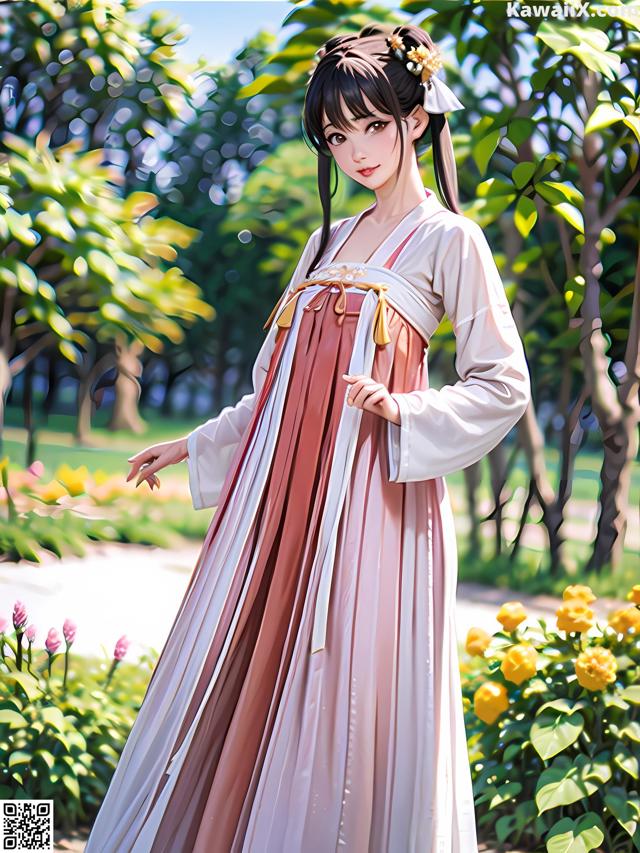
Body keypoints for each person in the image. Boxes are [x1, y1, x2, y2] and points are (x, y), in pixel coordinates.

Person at [85, 22, 531, 853]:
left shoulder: (450, 241)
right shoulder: (324, 242)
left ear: (418, 119)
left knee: (344, 685)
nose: (356, 149)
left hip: (372, 510)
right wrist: (194, 443)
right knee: (247, 669)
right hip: (281, 505)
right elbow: (277, 386)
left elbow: (503, 384)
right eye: (337, 133)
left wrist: (407, 410)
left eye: (372, 124)